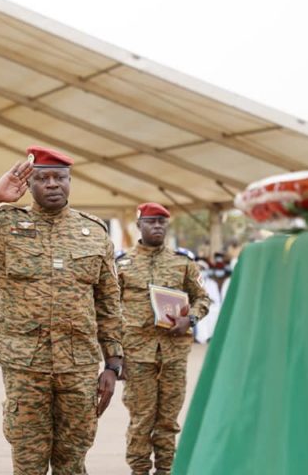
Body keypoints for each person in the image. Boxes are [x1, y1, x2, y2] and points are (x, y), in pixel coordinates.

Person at [0, 145, 123, 475]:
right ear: (29, 184)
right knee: (28, 460)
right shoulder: (4, 226)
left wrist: (114, 363)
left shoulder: (94, 233)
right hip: (25, 364)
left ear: (70, 181)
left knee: (73, 458)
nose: (52, 184)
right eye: (42, 178)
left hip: (78, 364)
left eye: (59, 177)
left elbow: (108, 301)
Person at [117, 202, 210, 475]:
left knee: (168, 419)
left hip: (173, 353)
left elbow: (203, 298)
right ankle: (139, 470)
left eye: (161, 222)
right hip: (137, 353)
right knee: (141, 418)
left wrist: (190, 319)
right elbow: (108, 308)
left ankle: (166, 469)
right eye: (151, 222)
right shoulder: (122, 265)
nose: (157, 226)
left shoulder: (183, 263)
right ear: (139, 225)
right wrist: (114, 354)